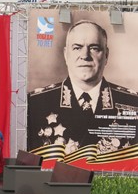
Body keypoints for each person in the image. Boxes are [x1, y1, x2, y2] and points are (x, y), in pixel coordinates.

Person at [28, 20, 138, 154]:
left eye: (94, 48)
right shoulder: (36, 103)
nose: (85, 56)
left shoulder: (133, 102)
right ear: (65, 54)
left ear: (106, 55)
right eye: (77, 48)